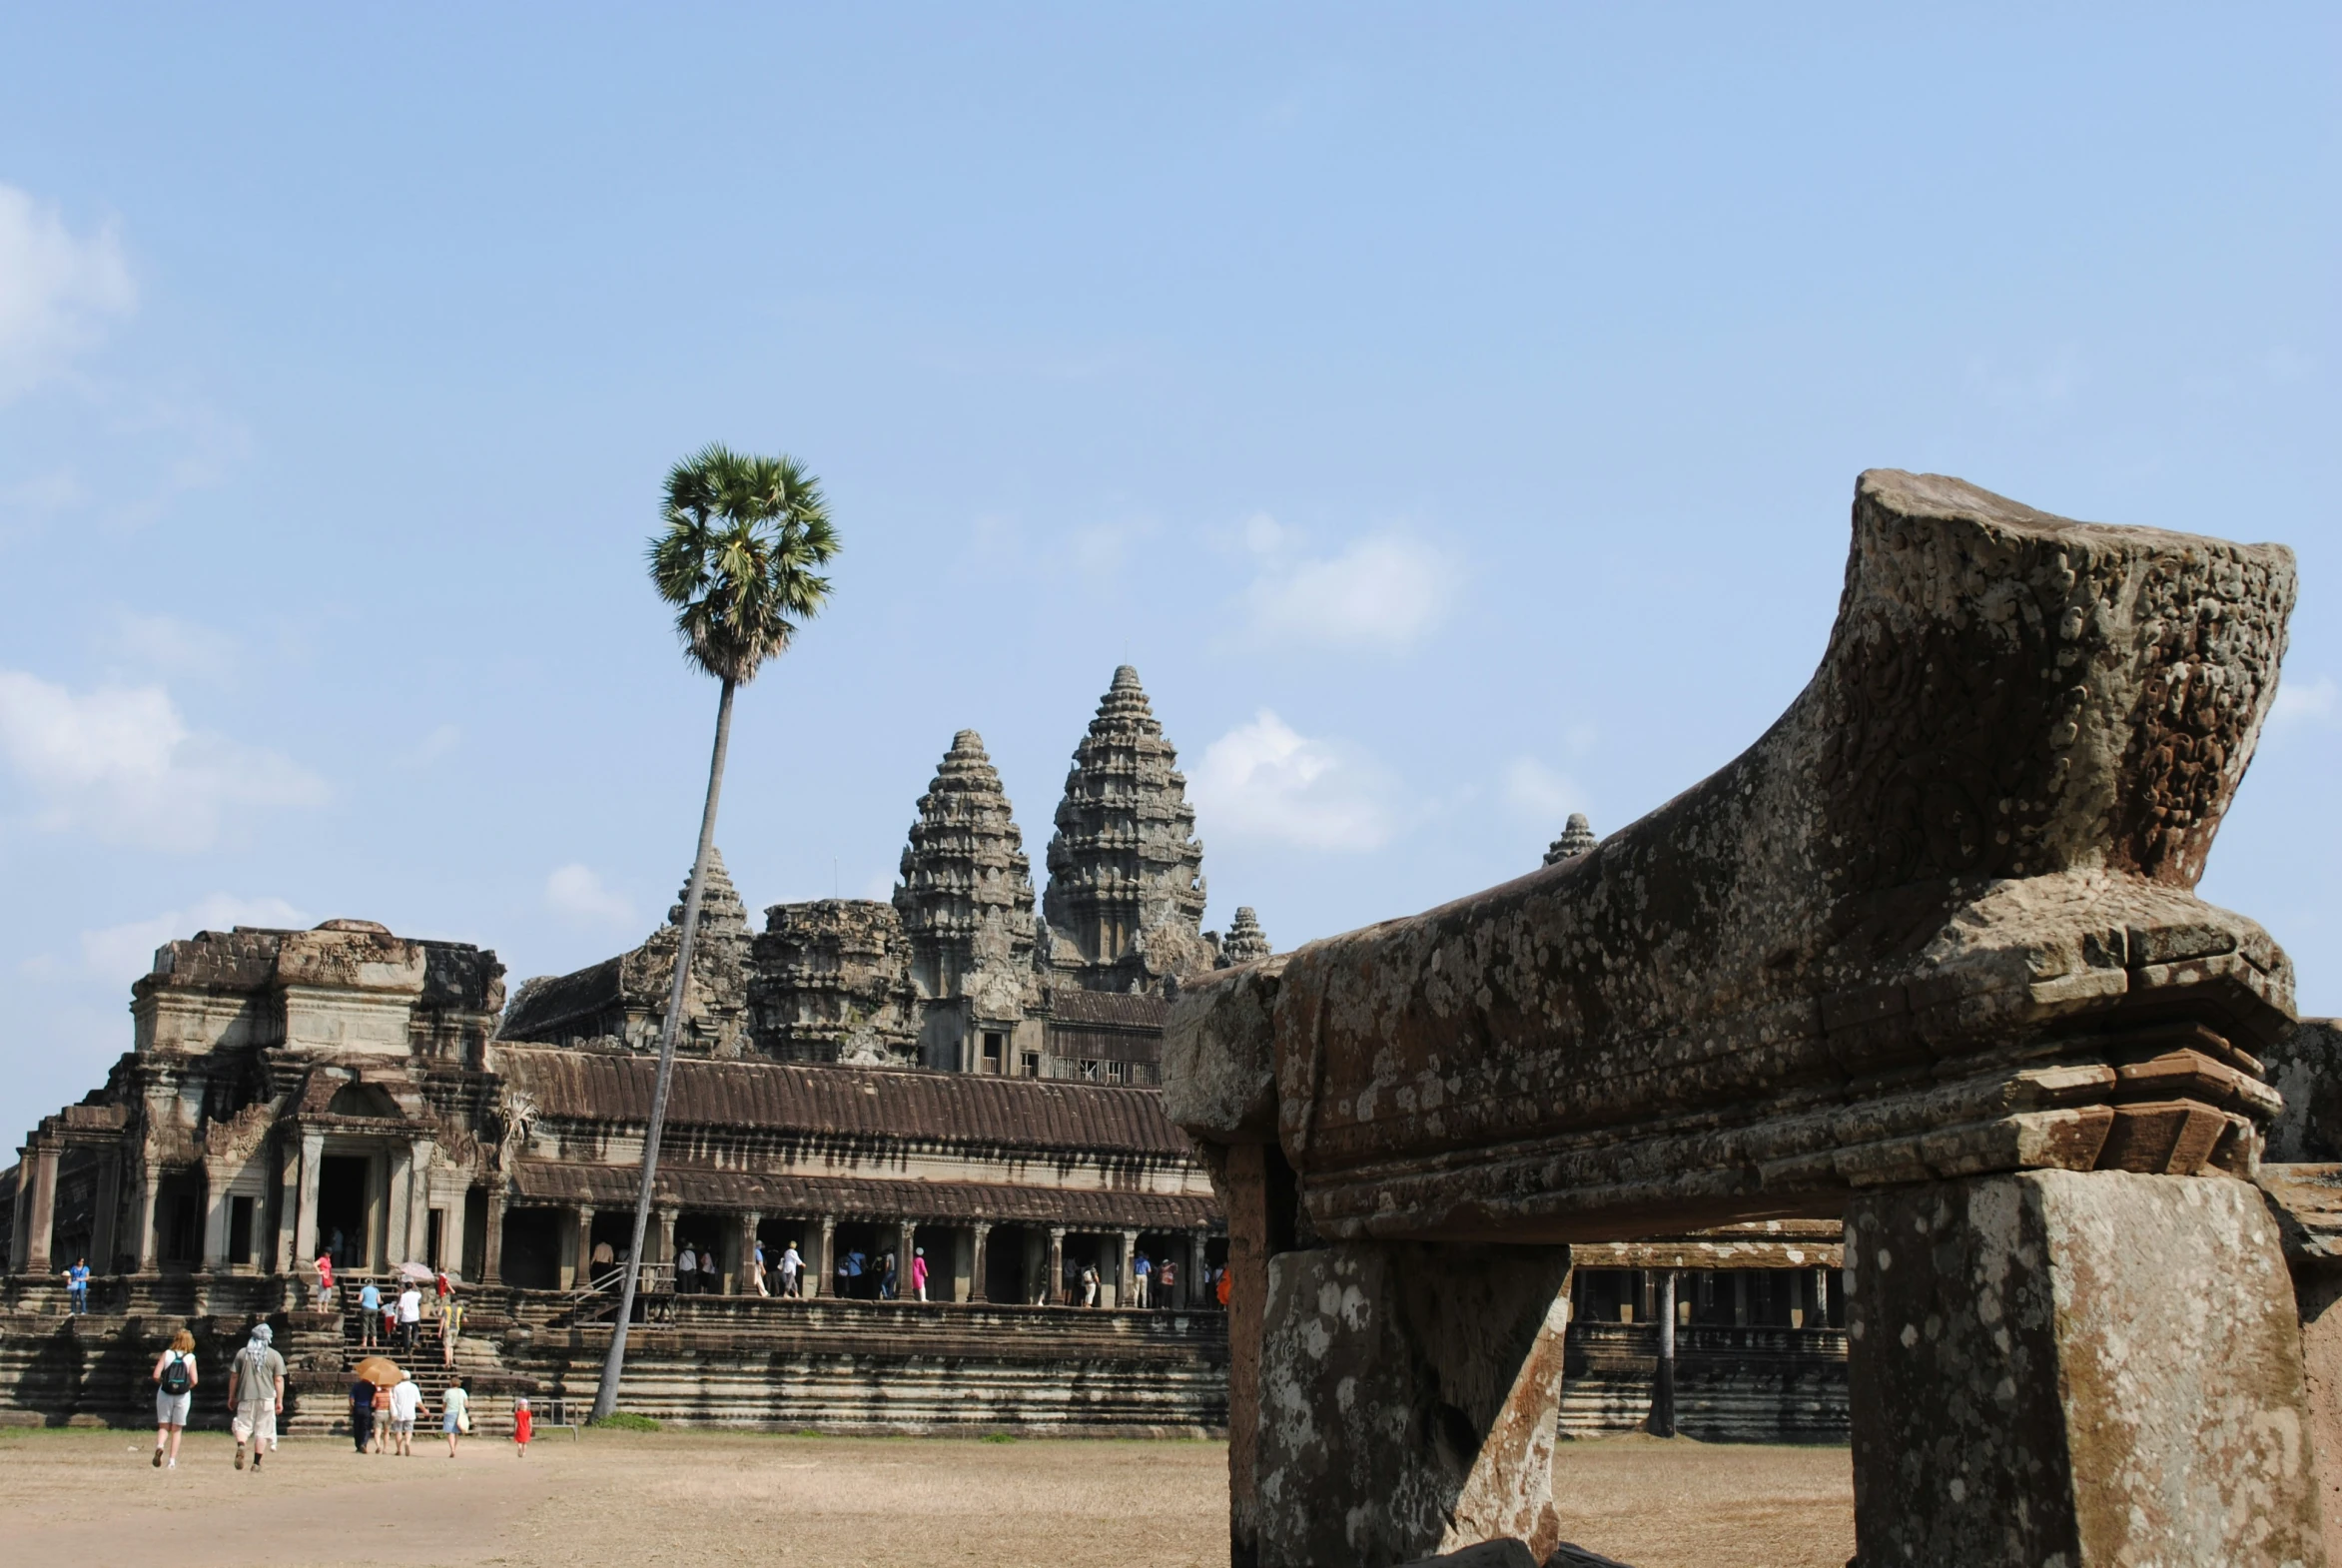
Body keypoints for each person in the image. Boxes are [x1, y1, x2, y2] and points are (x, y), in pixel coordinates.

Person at [226, 1322, 285, 1472]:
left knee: (243, 1426)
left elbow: (234, 1376)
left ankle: (241, 1444)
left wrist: (232, 1397)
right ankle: (257, 1463)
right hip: (266, 1398)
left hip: (246, 1396)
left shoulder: (242, 1353)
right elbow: (278, 1380)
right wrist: (279, 1401)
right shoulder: (274, 1355)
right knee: (262, 1431)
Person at [152, 1327, 198, 1467]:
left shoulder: (167, 1354)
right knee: (177, 1429)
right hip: (182, 1396)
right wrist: (184, 1387)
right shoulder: (190, 1358)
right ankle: (171, 1461)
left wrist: (165, 1384)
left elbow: (155, 1375)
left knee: (163, 1425)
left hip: (165, 1393)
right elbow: (195, 1381)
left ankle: (160, 1445)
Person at [388, 1371, 421, 1457]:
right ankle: (407, 1442)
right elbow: (418, 1401)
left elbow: (394, 1401)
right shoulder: (414, 1387)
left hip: (399, 1412)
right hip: (410, 1412)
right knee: (409, 1430)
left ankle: (399, 1449)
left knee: (398, 1431)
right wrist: (424, 1410)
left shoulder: (397, 1387)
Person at [441, 1375, 471, 1457]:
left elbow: (444, 1404)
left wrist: (444, 1411)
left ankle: (452, 1449)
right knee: (456, 1433)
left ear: (451, 1383)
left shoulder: (447, 1392)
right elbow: (466, 1404)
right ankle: (454, 1448)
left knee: (450, 1432)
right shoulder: (462, 1391)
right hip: (459, 1413)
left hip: (449, 1412)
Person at [348, 1374, 376, 1454]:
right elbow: (374, 1399)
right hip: (367, 1409)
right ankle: (363, 1443)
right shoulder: (372, 1387)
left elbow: (351, 1398)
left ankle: (358, 1445)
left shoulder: (356, 1386)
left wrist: (352, 1407)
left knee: (357, 1428)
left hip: (357, 1408)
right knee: (366, 1428)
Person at [396, 1281, 423, 1352]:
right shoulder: (416, 1294)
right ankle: (415, 1340)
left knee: (406, 1334)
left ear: (405, 1287)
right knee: (416, 1330)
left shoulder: (403, 1296)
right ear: (412, 1287)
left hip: (406, 1317)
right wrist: (415, 1286)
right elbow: (420, 1295)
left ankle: (407, 1350)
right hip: (415, 1316)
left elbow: (401, 1307)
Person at [357, 1278, 382, 1347]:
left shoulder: (364, 1289)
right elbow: (379, 1301)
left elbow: (359, 1299)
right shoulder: (376, 1290)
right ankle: (374, 1342)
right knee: (373, 1325)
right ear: (372, 1283)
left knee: (365, 1325)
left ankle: (364, 1342)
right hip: (374, 1308)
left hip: (366, 1308)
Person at [441, 1295, 465, 1367]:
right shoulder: (460, 1309)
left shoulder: (446, 1308)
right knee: (451, 1345)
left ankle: (447, 1362)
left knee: (447, 1345)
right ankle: (451, 1359)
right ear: (457, 1301)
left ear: (450, 1300)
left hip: (448, 1328)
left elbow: (443, 1319)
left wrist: (440, 1330)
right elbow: (465, 1320)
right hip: (456, 1328)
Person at [371, 1379, 391, 1453]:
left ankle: (378, 1446)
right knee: (386, 1432)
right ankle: (385, 1448)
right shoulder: (389, 1394)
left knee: (377, 1432)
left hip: (378, 1412)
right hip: (387, 1413)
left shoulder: (377, 1394)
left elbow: (373, 1404)